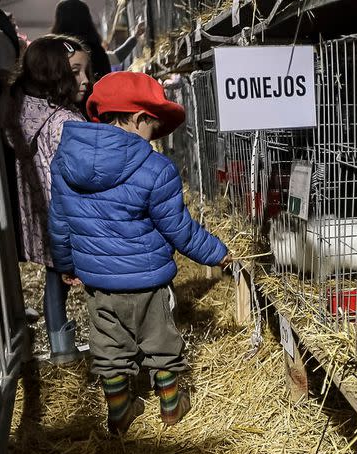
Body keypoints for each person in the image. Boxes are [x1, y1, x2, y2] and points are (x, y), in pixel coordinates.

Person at [48, 72, 232, 434]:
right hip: (148, 282)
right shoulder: (155, 169)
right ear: (136, 118)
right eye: (153, 123)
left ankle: (119, 412)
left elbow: (59, 223)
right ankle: (171, 405)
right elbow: (179, 230)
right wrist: (217, 252)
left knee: (110, 350)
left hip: (98, 284)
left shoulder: (65, 163)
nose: (156, 132)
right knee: (160, 342)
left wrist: (66, 265)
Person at [5, 35, 91, 361]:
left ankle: (61, 349)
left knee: (55, 282)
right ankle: (109, 348)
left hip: (44, 219)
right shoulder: (63, 121)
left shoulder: (24, 112)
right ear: (54, 73)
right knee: (87, 280)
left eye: (86, 71)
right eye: (76, 71)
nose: (85, 80)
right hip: (71, 219)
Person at [51, 0, 146, 79]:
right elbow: (117, 57)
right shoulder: (96, 52)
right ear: (87, 21)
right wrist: (136, 36)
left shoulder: (52, 53)